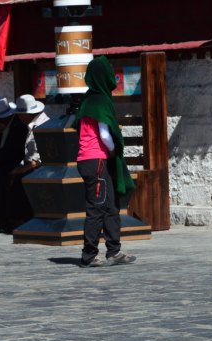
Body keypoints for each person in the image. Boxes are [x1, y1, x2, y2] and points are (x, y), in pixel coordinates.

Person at [74, 56, 136, 269]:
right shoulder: (99, 100)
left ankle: (114, 250)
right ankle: (88, 255)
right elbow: (105, 135)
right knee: (97, 207)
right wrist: (114, 151)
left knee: (110, 205)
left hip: (90, 160)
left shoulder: (88, 99)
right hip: (97, 159)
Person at [2, 94, 50, 232]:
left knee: (18, 179)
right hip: (31, 164)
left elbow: (38, 159)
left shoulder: (41, 126)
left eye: (21, 114)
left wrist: (21, 170)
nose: (19, 117)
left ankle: (20, 219)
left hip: (40, 167)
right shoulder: (31, 125)